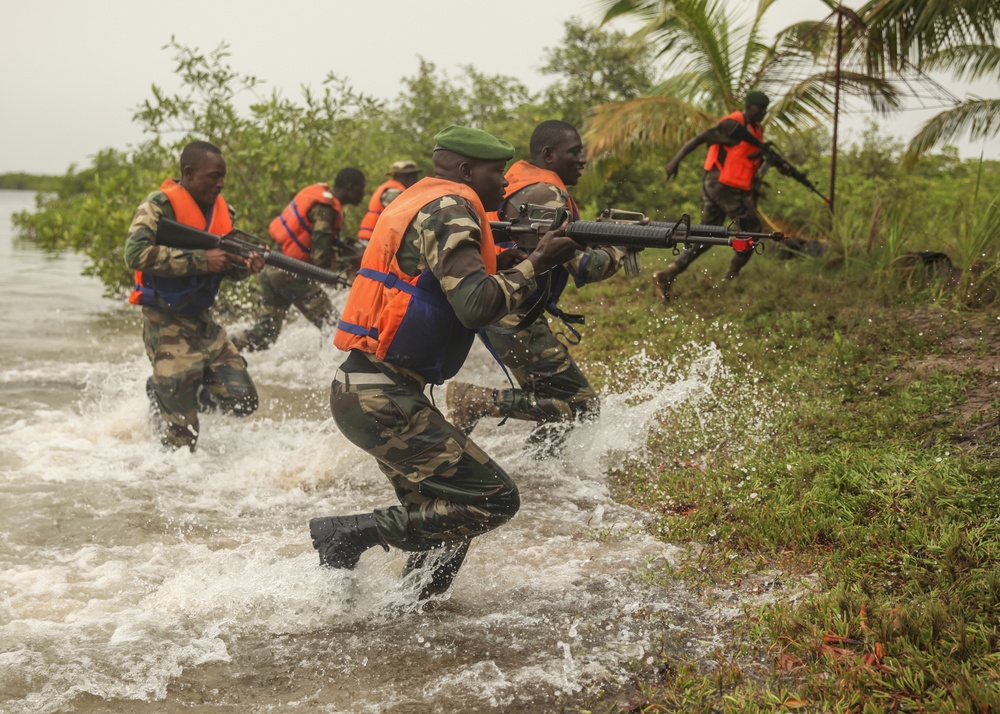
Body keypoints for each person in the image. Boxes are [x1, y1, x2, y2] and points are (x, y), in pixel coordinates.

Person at [308, 125, 581, 598]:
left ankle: (415, 611)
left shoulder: (429, 201)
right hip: (381, 396)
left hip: (372, 391)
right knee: (494, 498)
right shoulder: (451, 209)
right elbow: (476, 305)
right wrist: (535, 263)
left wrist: (515, 260)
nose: (504, 184)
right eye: (497, 173)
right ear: (466, 170)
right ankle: (347, 535)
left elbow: (462, 286)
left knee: (448, 516)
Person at [445, 120, 626, 454]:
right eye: (575, 152)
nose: (583, 160)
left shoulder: (522, 184)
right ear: (549, 154)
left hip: (504, 308)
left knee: (553, 401)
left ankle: (541, 468)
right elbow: (585, 267)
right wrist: (623, 246)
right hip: (514, 315)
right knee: (584, 406)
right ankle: (479, 401)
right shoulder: (546, 193)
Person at [125, 140, 265, 451]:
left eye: (223, 176)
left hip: (205, 324)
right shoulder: (158, 207)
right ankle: (167, 395)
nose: (220, 183)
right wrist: (202, 260)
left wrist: (246, 266)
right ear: (189, 173)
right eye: (213, 176)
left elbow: (225, 267)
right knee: (183, 440)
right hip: (166, 324)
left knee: (243, 401)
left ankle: (172, 391)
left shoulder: (223, 211)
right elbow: (134, 254)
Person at [653, 91, 776, 302]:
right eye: (760, 109)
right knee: (753, 228)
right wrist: (676, 160)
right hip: (721, 186)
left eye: (766, 109)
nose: (763, 113)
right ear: (748, 106)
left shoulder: (756, 130)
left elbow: (747, 158)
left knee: (708, 235)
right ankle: (732, 275)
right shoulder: (732, 124)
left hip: (728, 187)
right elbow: (700, 138)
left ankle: (668, 274)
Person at [231, 168, 367, 352]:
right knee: (334, 326)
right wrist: (350, 261)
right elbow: (321, 259)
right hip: (289, 273)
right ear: (351, 187)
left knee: (264, 336)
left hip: (271, 268)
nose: (363, 194)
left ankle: (225, 347)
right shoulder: (326, 210)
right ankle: (333, 372)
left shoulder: (324, 202)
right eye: (361, 188)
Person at [356, 160, 421, 241]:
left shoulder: (390, 187)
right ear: (406, 177)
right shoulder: (394, 192)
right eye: (414, 177)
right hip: (375, 239)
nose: (416, 180)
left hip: (372, 237)